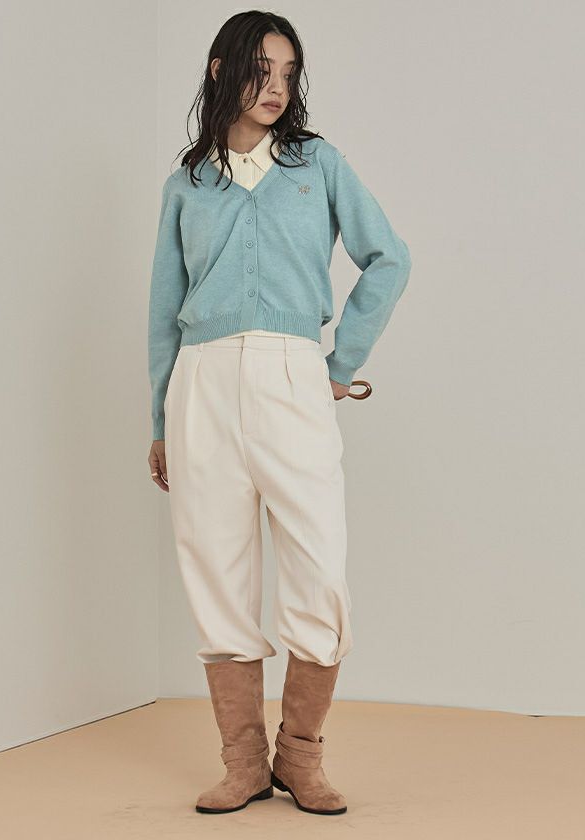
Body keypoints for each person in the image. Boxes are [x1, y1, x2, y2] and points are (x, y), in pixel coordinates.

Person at [147, 10, 411, 817]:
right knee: (216, 569)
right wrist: (159, 423)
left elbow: (388, 258)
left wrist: (339, 365)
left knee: (319, 569)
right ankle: (243, 763)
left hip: (293, 377)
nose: (277, 87)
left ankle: (301, 756)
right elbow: (162, 314)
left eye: (289, 73)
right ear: (223, 69)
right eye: (263, 70)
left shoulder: (316, 164)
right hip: (201, 385)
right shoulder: (188, 184)